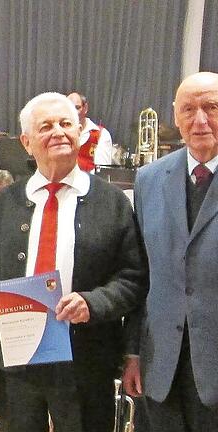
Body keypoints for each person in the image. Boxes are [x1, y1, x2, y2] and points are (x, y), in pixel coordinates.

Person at [0, 92, 147, 432]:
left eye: (65, 123)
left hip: (87, 362)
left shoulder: (113, 203)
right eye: (45, 126)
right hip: (17, 366)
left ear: (80, 133)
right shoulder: (2, 207)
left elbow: (133, 279)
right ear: (27, 142)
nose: (57, 132)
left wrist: (94, 302)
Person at [123, 71, 218, 431]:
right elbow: (140, 275)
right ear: (175, 117)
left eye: (211, 107)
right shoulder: (149, 180)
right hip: (161, 368)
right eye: (188, 109)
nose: (200, 120)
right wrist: (132, 352)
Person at [67, 92, 113, 171]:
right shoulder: (59, 133)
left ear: (85, 108)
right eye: (69, 108)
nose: (73, 112)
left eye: (77, 108)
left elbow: (101, 171)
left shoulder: (101, 134)